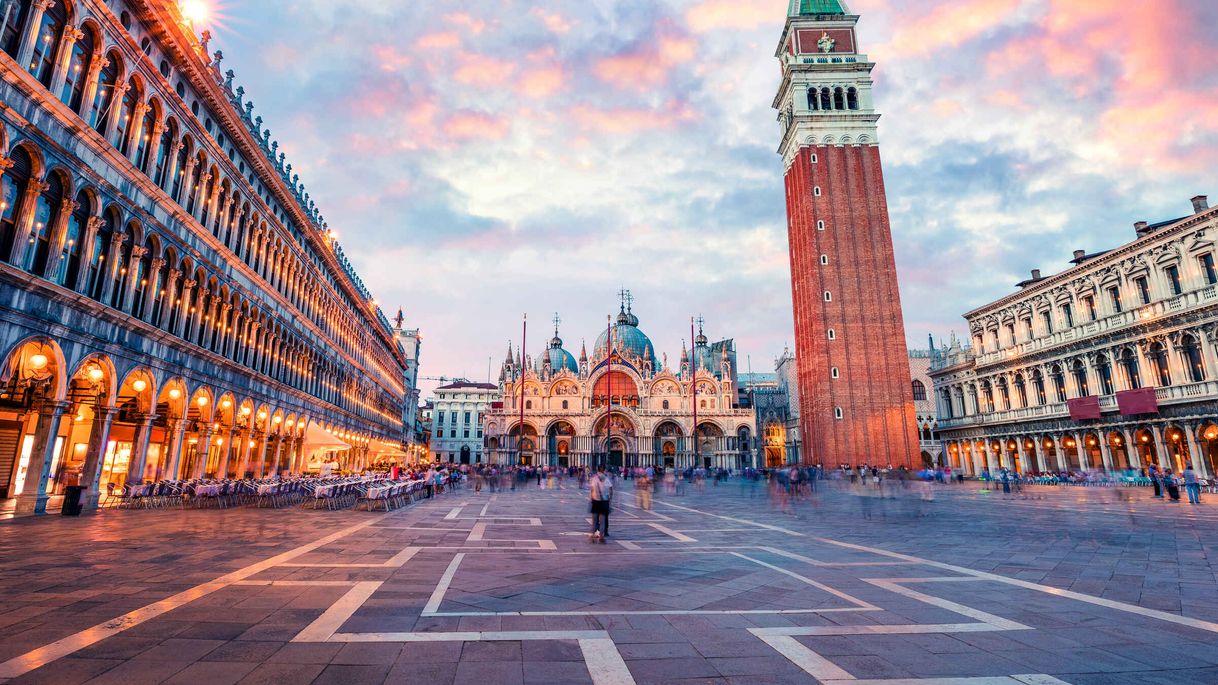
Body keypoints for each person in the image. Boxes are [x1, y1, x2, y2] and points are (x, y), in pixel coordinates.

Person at [589, 465, 614, 543]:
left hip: (595, 501)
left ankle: (593, 536)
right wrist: (610, 499)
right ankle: (601, 537)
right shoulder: (606, 478)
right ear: (603, 470)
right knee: (602, 521)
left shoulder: (594, 478)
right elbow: (611, 489)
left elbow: (592, 489)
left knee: (594, 520)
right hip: (604, 501)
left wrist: (591, 498)